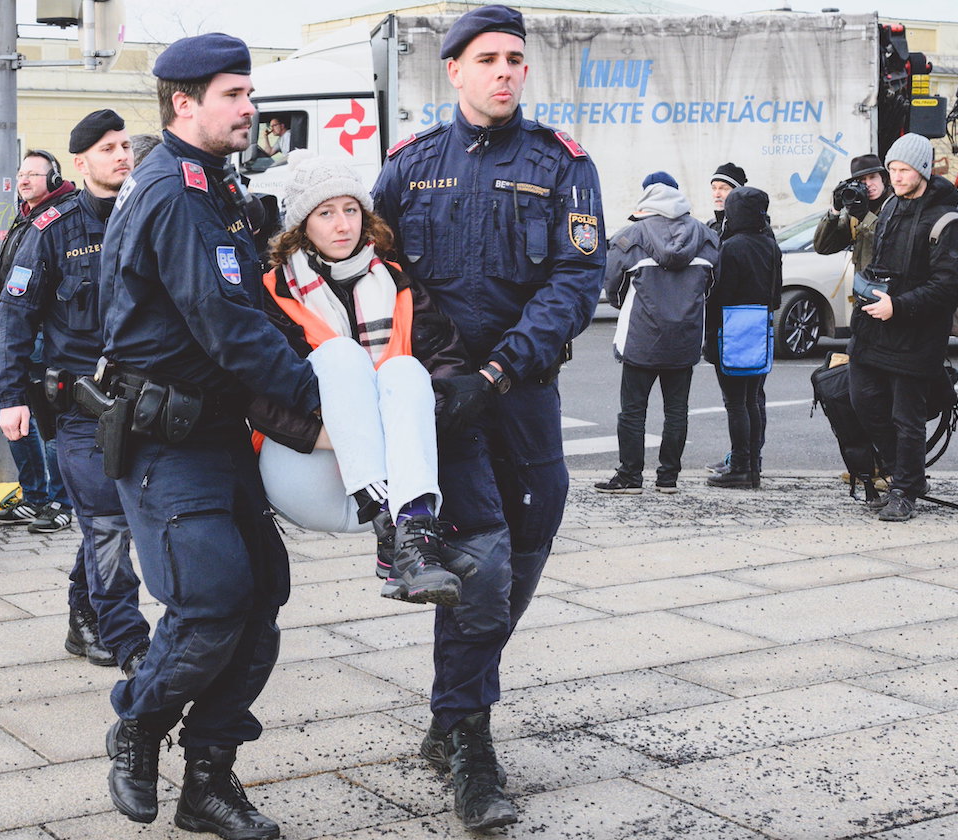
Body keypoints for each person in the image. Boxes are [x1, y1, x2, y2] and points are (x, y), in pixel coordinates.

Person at [371, 5, 604, 830]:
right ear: (454, 71)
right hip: (441, 402)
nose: (504, 71)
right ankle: (470, 743)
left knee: (525, 551)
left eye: (514, 58)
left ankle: (449, 712)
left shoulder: (561, 163)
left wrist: (498, 370)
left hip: (522, 392)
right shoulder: (408, 166)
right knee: (479, 561)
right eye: (487, 59)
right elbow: (378, 270)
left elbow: (576, 281)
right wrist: (439, 371)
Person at [96, 33, 322, 837]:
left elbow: (257, 309)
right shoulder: (175, 191)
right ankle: (137, 721)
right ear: (184, 103)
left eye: (247, 93)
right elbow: (228, 327)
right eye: (234, 95)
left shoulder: (213, 184)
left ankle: (208, 781)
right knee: (211, 602)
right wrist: (324, 406)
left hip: (219, 430)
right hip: (168, 439)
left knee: (259, 601)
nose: (249, 108)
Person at [246, 150, 470, 603]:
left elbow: (450, 368)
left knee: (405, 369)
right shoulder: (272, 292)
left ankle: (409, 540)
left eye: (351, 210)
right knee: (341, 354)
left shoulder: (397, 283)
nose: (343, 225)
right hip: (308, 462)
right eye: (326, 213)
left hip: (392, 480)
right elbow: (256, 395)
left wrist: (401, 427)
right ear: (301, 225)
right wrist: (344, 433)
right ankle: (396, 527)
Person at [0, 110, 153, 675]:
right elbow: (15, 317)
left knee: (124, 517)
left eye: (124, 145)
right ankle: (120, 630)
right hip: (83, 407)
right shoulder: (52, 229)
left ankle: (83, 612)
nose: (122, 155)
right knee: (106, 517)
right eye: (108, 148)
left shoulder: (151, 213)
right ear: (81, 162)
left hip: (147, 401)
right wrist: (10, 397)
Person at [847, 133, 958, 522]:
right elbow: (879, 262)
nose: (896, 177)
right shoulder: (890, 207)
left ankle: (905, 489)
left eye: (904, 170)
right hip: (873, 329)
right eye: (893, 170)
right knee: (863, 400)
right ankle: (903, 474)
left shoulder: (947, 221)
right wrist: (867, 289)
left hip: (917, 335)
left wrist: (897, 306)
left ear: (923, 171)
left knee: (906, 417)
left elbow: (946, 286)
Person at [595, 171, 717, 495]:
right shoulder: (705, 235)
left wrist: (626, 303)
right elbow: (712, 285)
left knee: (633, 410)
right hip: (686, 338)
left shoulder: (631, 236)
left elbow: (612, 285)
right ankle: (668, 478)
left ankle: (630, 475)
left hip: (641, 337)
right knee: (676, 411)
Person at [0, 149, 76, 533]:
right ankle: (35, 497)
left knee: (52, 423)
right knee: (20, 418)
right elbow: (15, 280)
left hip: (50, 338)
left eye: (33, 174)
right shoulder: (26, 218)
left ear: (53, 179)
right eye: (21, 173)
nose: (23, 180)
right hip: (23, 333)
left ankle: (62, 502)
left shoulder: (62, 218)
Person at [704, 186, 781, 489]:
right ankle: (753, 465)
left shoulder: (731, 247)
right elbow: (776, 296)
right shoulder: (771, 245)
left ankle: (739, 466)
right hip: (760, 330)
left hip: (731, 331)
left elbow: (718, 295)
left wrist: (710, 337)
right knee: (752, 400)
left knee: (735, 403)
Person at [813, 154, 889, 273]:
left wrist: (865, 217)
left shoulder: (895, 205)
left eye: (873, 177)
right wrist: (835, 210)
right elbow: (823, 247)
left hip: (887, 282)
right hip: (862, 281)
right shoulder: (855, 214)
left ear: (883, 179)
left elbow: (891, 243)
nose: (868, 184)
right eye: (862, 180)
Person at [705, 162, 747, 236]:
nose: (717, 194)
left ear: (738, 192)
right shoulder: (710, 225)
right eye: (714, 188)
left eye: (724, 189)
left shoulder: (749, 225)